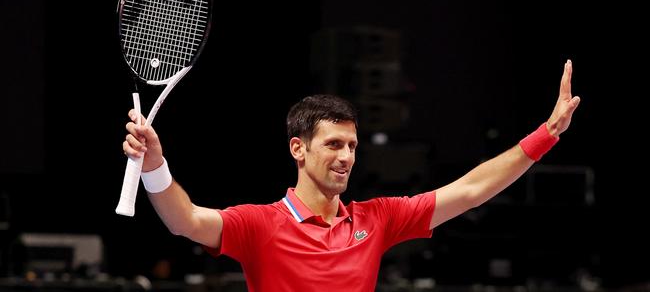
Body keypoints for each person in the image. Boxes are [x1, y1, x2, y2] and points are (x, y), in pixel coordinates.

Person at [122, 60, 580, 291]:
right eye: (334, 145)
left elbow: (473, 190)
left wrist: (546, 135)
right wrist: (155, 166)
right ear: (298, 149)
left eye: (353, 146)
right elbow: (184, 221)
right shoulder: (258, 225)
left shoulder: (376, 220)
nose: (347, 157)